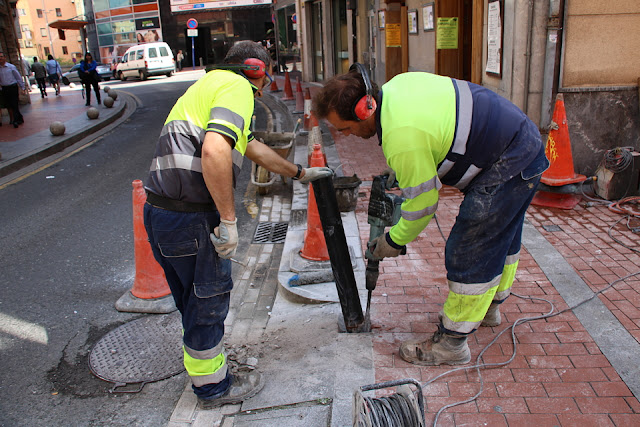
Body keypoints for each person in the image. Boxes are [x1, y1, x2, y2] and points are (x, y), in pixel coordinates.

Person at [312, 64, 549, 366]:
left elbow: (424, 206)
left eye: (344, 128)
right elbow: (435, 132)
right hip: (521, 142)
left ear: (365, 109)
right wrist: (406, 171)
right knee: (501, 235)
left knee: (470, 247)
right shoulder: (398, 86)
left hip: (509, 161)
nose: (345, 136)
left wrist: (394, 240)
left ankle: (451, 343)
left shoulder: (401, 137)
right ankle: (488, 306)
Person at [143, 41, 332, 408]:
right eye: (265, 79)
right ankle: (214, 389)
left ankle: (205, 370)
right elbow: (216, 149)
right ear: (255, 70)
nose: (263, 90)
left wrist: (299, 172)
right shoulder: (236, 87)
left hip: (161, 214)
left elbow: (250, 146)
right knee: (209, 300)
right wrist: (229, 221)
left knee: (192, 301)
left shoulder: (206, 87)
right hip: (191, 218)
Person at [0, 52, 26, 128]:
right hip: (4, 88)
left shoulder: (11, 67)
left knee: (14, 103)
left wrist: (22, 87)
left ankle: (15, 120)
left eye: (1, 56)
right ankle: (19, 118)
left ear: (4, 57)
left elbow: (18, 77)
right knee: (9, 105)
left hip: (12, 87)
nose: (0, 58)